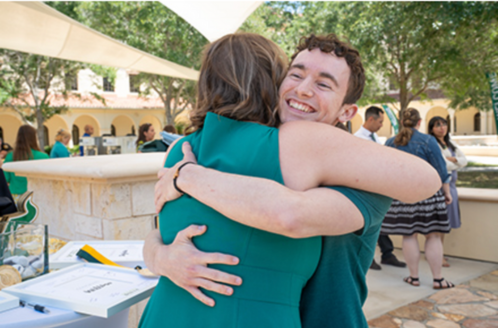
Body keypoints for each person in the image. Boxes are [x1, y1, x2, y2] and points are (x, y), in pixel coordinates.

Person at [142, 33, 441, 328]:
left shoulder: (366, 178)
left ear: (347, 112)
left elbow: (290, 215)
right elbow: (161, 228)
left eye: (323, 84)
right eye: (295, 75)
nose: (304, 90)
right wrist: (160, 256)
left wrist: (187, 176)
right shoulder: (252, 147)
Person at [381, 108, 454, 289]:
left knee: (408, 236)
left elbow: (383, 171)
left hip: (403, 196)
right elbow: (441, 170)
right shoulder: (428, 140)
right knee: (433, 236)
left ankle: (414, 277)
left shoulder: (391, 142)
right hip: (429, 194)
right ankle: (438, 279)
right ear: (419, 122)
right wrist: (447, 192)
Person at [354, 106, 406, 270]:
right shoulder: (357, 139)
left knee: (379, 223)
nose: (382, 125)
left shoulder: (375, 137)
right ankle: (372, 257)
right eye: (380, 121)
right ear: (370, 119)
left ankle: (387, 254)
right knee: (369, 225)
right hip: (364, 189)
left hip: (377, 188)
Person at [428, 116, 468, 267]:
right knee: (439, 223)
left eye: (444, 124)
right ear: (431, 128)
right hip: (440, 188)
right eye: (437, 125)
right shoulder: (432, 144)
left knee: (446, 224)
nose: (441, 128)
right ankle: (438, 255)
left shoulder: (450, 143)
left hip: (451, 187)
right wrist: (453, 161)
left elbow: (464, 160)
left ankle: (439, 253)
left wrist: (454, 161)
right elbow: (442, 166)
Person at [3, 125, 49, 202]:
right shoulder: (42, 156)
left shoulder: (10, 156)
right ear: (34, 138)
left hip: (15, 198)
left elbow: (5, 179)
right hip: (36, 197)